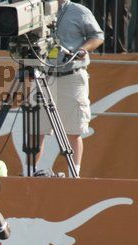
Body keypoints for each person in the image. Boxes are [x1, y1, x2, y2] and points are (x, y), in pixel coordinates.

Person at [37, 0, 104, 178]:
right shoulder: (36, 8)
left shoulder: (79, 10)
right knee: (36, 129)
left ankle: (74, 175)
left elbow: (98, 36)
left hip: (72, 74)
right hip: (43, 73)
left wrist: (82, 49)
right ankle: (30, 173)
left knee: (74, 131)